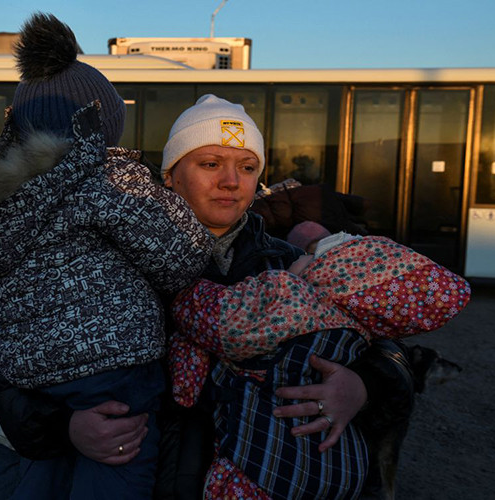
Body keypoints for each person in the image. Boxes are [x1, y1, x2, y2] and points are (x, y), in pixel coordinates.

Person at [0, 13, 213, 499]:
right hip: (116, 376)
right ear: (99, 127)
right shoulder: (104, 182)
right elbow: (182, 257)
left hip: (32, 385)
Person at [158, 94, 425, 499]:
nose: (231, 181)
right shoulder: (124, 262)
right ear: (170, 175)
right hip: (162, 474)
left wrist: (362, 385)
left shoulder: (293, 261)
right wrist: (69, 423)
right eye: (210, 164)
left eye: (247, 167)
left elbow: (393, 348)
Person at [169, 228, 470, 498]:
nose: (301, 257)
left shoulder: (287, 289)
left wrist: (364, 385)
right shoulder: (358, 327)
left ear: (328, 271)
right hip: (336, 469)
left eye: (311, 255)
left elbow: (223, 324)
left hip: (260, 459)